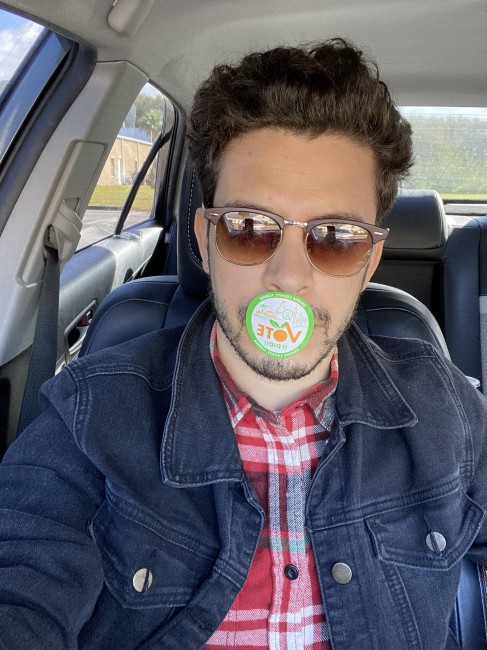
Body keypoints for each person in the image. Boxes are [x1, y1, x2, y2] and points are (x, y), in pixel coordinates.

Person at [0, 38, 486, 650]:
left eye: (336, 236)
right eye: (249, 228)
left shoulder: (446, 408)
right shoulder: (89, 418)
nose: (288, 276)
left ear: (370, 260)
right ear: (204, 241)